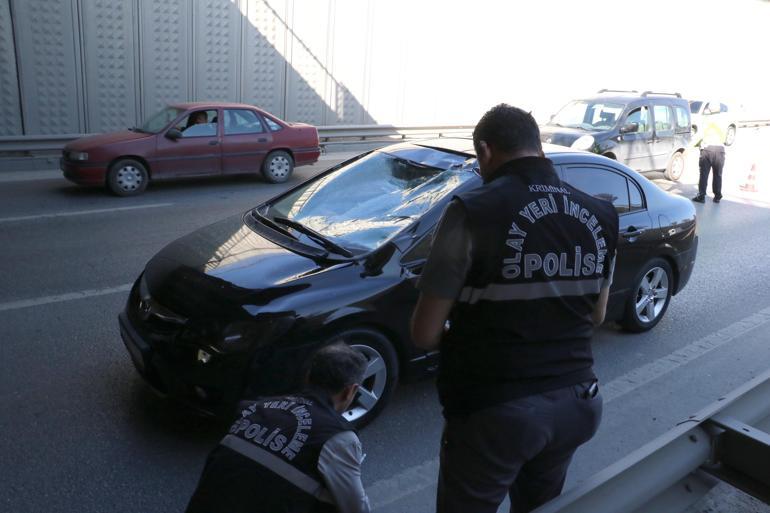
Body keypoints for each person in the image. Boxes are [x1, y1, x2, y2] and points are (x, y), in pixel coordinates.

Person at [411, 104, 619, 513]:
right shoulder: (602, 214)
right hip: (578, 402)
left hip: (496, 411)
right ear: (538, 148)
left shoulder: (472, 211)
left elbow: (424, 334)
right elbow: (595, 315)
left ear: (485, 152)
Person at [186, 343, 371, 513]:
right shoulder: (337, 438)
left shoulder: (252, 408)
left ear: (308, 376)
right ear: (350, 391)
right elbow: (356, 508)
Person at [692, 101, 726, 203]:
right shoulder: (724, 119)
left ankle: (701, 196)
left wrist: (693, 145)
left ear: (709, 109)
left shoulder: (706, 119)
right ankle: (717, 196)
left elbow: (700, 135)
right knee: (718, 174)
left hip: (707, 149)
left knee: (704, 174)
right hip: (720, 150)